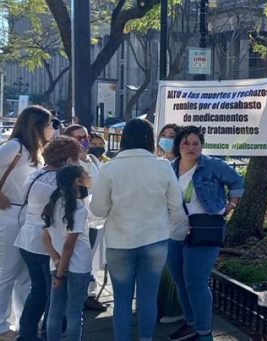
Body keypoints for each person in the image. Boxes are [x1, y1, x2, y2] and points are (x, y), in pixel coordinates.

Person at [90, 118, 183, 341]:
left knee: (121, 300)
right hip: (155, 240)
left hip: (119, 242)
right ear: (150, 139)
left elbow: (98, 209)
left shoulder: (109, 168)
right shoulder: (163, 166)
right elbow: (176, 204)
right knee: (147, 298)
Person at [166, 126, 244, 341]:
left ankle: (204, 332)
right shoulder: (169, 168)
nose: (191, 147)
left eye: (195, 143)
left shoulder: (211, 165)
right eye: (186, 143)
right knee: (180, 281)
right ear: (178, 145)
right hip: (174, 232)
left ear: (201, 145)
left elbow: (237, 181)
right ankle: (191, 324)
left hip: (205, 230)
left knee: (196, 282)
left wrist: (232, 204)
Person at [0, 105, 54, 341]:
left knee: (24, 273)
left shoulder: (32, 149)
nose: (52, 129)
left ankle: (22, 321)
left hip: (26, 215)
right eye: (48, 124)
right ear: (36, 126)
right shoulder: (14, 147)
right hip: (10, 213)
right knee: (7, 271)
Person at [14, 136, 83, 341]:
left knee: (37, 291)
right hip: (48, 244)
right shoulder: (61, 183)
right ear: (69, 160)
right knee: (52, 295)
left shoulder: (34, 175)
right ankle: (47, 334)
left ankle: (27, 335)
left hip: (27, 239)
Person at [42, 165, 93, 341]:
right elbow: (69, 245)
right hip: (77, 267)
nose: (88, 175)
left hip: (56, 264)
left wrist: (57, 262)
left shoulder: (52, 203)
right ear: (78, 181)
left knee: (55, 312)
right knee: (74, 313)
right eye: (85, 174)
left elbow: (46, 238)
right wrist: (61, 274)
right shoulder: (79, 208)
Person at [63, 124, 107, 312]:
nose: (84, 141)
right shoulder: (69, 164)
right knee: (78, 258)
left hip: (96, 217)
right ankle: (76, 296)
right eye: (79, 138)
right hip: (79, 218)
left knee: (92, 258)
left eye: (85, 136)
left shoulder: (94, 160)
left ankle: (87, 293)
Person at [155, 123, 184, 325]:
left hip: (176, 223)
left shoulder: (184, 164)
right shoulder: (157, 162)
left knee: (171, 268)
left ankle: (175, 309)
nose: (166, 139)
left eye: (171, 135)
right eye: (163, 135)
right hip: (155, 222)